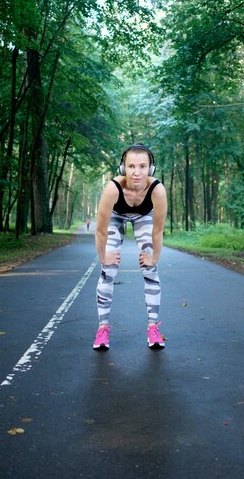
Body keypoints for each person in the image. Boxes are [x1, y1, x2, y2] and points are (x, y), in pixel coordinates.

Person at [93, 142, 167, 350]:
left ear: (150, 168)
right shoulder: (113, 188)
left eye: (142, 166)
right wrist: (102, 257)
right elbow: (100, 230)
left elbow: (158, 231)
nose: (136, 172)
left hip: (145, 216)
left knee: (150, 267)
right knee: (108, 270)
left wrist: (154, 257)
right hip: (116, 216)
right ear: (123, 167)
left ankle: (153, 328)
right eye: (131, 166)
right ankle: (102, 329)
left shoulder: (157, 190)